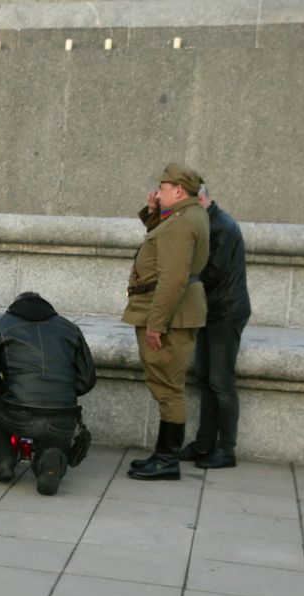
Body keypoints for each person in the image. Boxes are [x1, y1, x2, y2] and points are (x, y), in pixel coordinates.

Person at [124, 163, 208, 481]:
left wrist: (157, 324)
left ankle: (166, 459)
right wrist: (152, 213)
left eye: (162, 188)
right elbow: (159, 246)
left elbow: (172, 278)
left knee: (168, 388)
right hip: (173, 311)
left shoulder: (181, 223)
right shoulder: (185, 217)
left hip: (168, 315)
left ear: (178, 190)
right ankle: (163, 455)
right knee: (166, 385)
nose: (158, 192)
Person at [0, 291, 97, 495]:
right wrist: (65, 394)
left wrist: (6, 392)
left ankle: (3, 461)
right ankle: (48, 460)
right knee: (52, 446)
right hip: (62, 415)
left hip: (17, 413)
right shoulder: (70, 328)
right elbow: (87, 379)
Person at [176, 183, 250, 469]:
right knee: (205, 378)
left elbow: (211, 272)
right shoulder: (208, 222)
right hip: (210, 312)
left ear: (200, 199)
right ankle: (205, 442)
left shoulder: (221, 227)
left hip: (226, 313)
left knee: (221, 381)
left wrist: (178, 273)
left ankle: (226, 448)